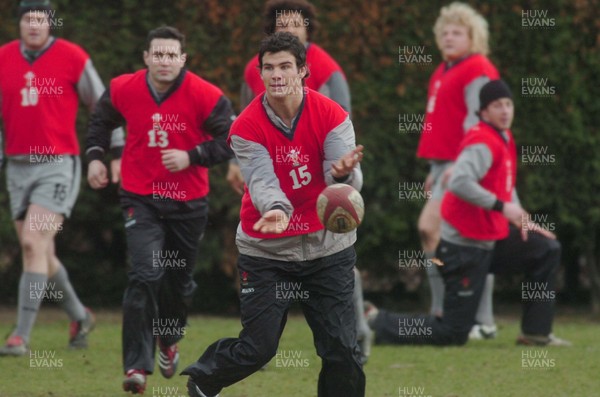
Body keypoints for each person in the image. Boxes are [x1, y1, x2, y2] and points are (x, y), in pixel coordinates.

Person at [182, 32, 365, 397]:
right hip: (267, 251)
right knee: (257, 349)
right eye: (268, 68)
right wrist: (279, 211)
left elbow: (342, 184)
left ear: (303, 72)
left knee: (342, 350)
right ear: (260, 74)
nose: (276, 75)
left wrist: (344, 175)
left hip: (327, 249)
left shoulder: (332, 114)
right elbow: (262, 181)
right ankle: (205, 378)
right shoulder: (245, 128)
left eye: (285, 67)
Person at [85, 26, 235, 394]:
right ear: (147, 58)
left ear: (182, 59)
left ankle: (168, 339)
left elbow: (231, 139)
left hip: (188, 202)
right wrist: (94, 158)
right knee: (144, 273)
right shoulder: (123, 88)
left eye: (172, 55)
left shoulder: (205, 94)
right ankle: (137, 366)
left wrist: (192, 155)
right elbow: (101, 122)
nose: (164, 61)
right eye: (158, 54)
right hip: (140, 197)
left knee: (178, 280)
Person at [367, 80, 570, 347]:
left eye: (508, 104)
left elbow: (498, 187)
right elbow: (459, 182)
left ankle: (536, 333)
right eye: (497, 105)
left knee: (546, 249)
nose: (505, 110)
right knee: (452, 332)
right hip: (464, 249)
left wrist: (522, 218)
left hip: (491, 240)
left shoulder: (504, 137)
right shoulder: (483, 140)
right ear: (484, 112)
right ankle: (375, 321)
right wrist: (503, 207)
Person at [226, 0, 373, 364]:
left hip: (323, 195)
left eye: (296, 25)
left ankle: (357, 333)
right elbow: (249, 120)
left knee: (337, 262)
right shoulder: (256, 71)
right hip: (275, 205)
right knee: (258, 346)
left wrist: (341, 175)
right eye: (281, 25)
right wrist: (239, 166)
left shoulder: (328, 76)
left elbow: (339, 132)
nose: (289, 30)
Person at [0, 0, 124, 356]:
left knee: (31, 244)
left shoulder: (72, 57)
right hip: (16, 166)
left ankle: (20, 337)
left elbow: (102, 105)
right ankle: (80, 315)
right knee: (40, 249)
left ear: (50, 24)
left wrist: (113, 150)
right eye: (27, 19)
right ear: (19, 24)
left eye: (41, 19)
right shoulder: (3, 58)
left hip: (56, 163)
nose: (34, 25)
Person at [415, 2, 499, 335]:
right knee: (441, 238)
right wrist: (434, 170)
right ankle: (449, 313)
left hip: (465, 167)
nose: (448, 37)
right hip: (445, 166)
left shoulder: (477, 68)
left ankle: (478, 320)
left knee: (446, 234)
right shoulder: (443, 70)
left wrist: (460, 166)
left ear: (473, 36)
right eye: (445, 32)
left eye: (457, 32)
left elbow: (476, 121)